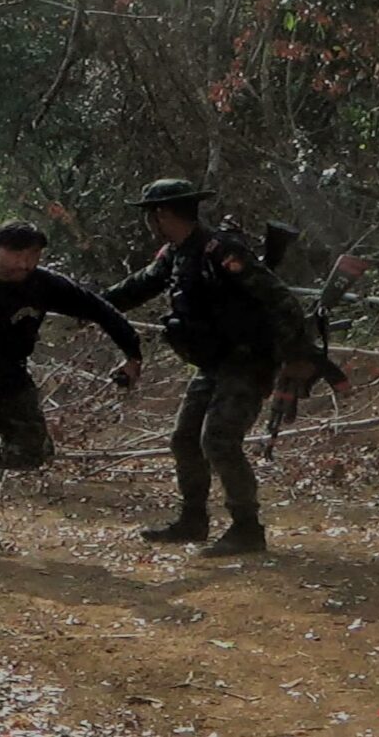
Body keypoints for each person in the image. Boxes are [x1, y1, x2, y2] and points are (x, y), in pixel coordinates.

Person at [104, 178, 314, 556]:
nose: (149, 222)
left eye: (150, 214)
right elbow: (138, 287)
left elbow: (280, 301)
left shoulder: (221, 250)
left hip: (247, 362)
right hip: (213, 363)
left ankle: (247, 528)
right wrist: (92, 307)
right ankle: (193, 520)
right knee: (185, 439)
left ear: (161, 214)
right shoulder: (175, 253)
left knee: (218, 440)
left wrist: (295, 359)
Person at [0, 221, 143, 548]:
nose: (25, 263)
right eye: (17, 254)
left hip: (12, 377)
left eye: (33, 254)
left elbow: (99, 309)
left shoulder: (45, 285)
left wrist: (132, 353)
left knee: (34, 452)